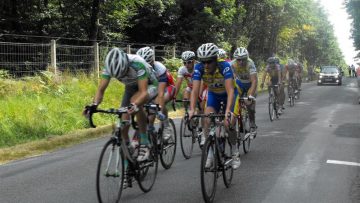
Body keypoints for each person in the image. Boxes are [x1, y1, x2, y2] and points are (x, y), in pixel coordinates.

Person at [83, 48, 158, 163]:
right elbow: (101, 90)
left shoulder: (137, 62)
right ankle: (128, 156)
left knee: (135, 102)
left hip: (149, 85)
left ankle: (144, 142)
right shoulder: (109, 67)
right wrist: (94, 104)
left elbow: (143, 92)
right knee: (123, 125)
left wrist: (135, 105)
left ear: (126, 64)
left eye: (124, 73)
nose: (121, 76)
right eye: (118, 76)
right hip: (130, 86)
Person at [188, 43, 239, 169]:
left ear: (216, 59)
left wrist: (228, 111)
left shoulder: (224, 66)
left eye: (209, 62)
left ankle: (234, 151)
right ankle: (210, 153)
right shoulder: (199, 68)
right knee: (206, 119)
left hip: (229, 95)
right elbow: (194, 90)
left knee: (228, 123)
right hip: (214, 95)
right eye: (203, 62)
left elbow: (230, 91)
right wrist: (192, 109)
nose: (206, 65)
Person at [136, 46, 176, 141]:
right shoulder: (138, 69)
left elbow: (161, 94)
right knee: (148, 107)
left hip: (168, 87)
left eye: (146, 63)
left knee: (156, 103)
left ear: (152, 61)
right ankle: (150, 128)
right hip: (154, 87)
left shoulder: (160, 68)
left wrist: (159, 111)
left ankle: (166, 126)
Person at [230, 47, 258, 138]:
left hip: (250, 84)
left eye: (243, 60)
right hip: (240, 83)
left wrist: (250, 96)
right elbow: (230, 78)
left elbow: (254, 81)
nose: (241, 62)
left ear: (247, 58)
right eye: (239, 60)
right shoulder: (232, 64)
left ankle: (252, 124)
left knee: (249, 104)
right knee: (234, 101)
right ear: (235, 59)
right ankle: (237, 121)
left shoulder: (250, 63)